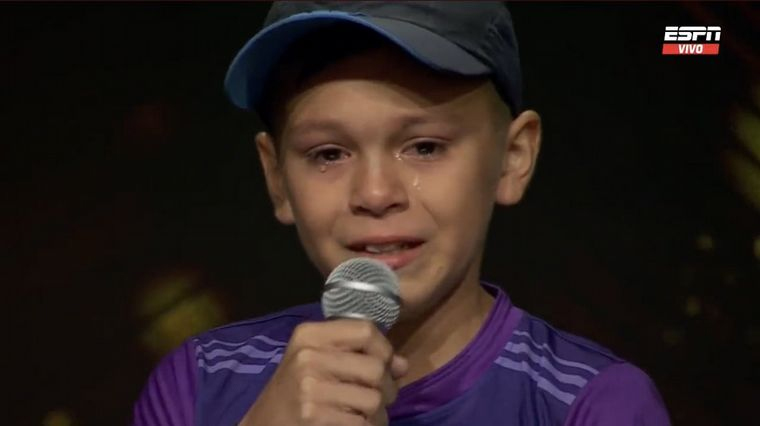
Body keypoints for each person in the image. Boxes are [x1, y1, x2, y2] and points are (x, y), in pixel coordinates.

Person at [133, 2, 671, 425]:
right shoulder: (200, 381)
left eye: (425, 147)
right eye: (328, 154)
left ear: (513, 157)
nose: (374, 192)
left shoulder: (593, 404)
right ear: (277, 180)